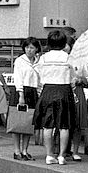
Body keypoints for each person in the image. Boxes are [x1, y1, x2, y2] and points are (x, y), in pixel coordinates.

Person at [34, 30, 77, 165]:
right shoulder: (68, 57)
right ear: (64, 43)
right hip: (64, 90)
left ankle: (49, 155)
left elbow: (37, 73)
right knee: (65, 125)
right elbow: (75, 74)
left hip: (48, 90)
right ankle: (62, 156)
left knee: (48, 125)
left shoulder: (44, 58)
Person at [11, 37, 41, 160]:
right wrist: (21, 95)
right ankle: (17, 150)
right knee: (18, 122)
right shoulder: (19, 61)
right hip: (21, 91)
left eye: (32, 48)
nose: (29, 50)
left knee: (29, 123)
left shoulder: (39, 61)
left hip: (33, 92)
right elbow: (18, 78)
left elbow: (40, 80)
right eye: (27, 47)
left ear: (36, 49)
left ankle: (25, 150)